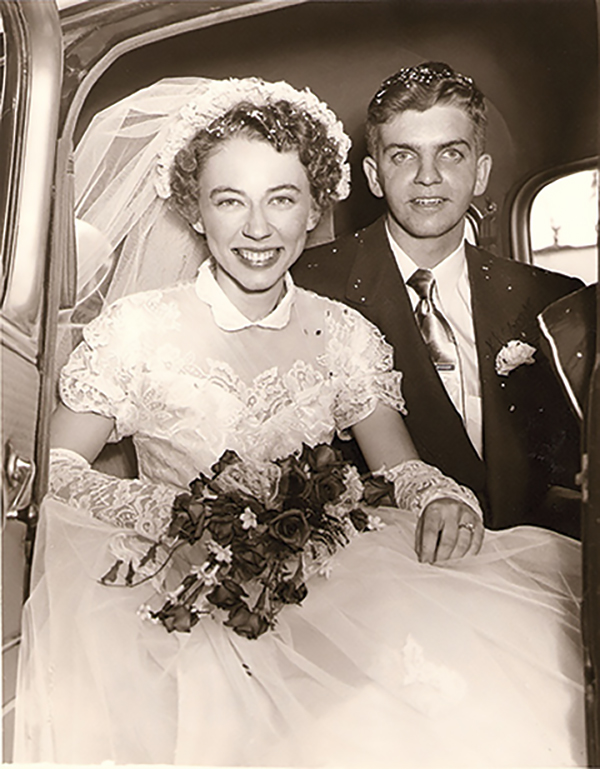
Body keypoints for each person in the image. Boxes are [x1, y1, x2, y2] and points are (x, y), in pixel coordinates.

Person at [14, 76, 584, 766]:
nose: (258, 230)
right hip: (173, 586)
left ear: (314, 209)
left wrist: (438, 492)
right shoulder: (135, 331)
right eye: (231, 201)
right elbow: (52, 468)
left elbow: (399, 465)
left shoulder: (345, 334)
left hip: (325, 582)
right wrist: (168, 510)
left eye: (282, 200)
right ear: (196, 212)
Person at [293, 61, 584, 537]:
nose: (427, 176)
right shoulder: (308, 286)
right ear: (372, 174)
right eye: (404, 156)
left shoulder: (552, 301)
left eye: (450, 154)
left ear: (481, 171)